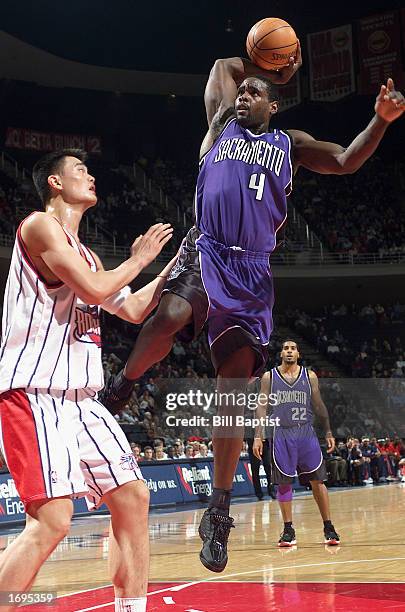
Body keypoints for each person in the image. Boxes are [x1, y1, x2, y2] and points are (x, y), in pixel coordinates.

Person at [101, 47, 405, 570]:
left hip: (253, 275)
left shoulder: (290, 145)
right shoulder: (222, 124)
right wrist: (270, 67)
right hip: (207, 250)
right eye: (244, 91)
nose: (244, 94)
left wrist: (380, 120)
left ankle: (218, 511)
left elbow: (346, 160)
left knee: (232, 395)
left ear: (274, 107)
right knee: (170, 317)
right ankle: (125, 384)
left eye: (256, 92)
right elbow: (222, 67)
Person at [0, 149, 174, 612]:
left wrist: (178, 267)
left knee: (134, 497)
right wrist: (140, 258)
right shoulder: (38, 226)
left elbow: (133, 309)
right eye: (80, 169)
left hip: (82, 401)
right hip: (33, 394)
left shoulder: (88, 255)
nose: (91, 175)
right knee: (54, 520)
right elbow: (96, 290)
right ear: (55, 183)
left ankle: (131, 608)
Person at [253, 340, 340, 547]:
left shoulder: (309, 376)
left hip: (305, 432)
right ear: (281, 353)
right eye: (286, 348)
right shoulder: (269, 377)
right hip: (281, 433)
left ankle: (329, 527)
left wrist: (328, 430)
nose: (289, 351)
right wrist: (258, 434)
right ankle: (288, 530)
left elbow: (318, 405)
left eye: (293, 348)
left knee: (318, 481)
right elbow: (261, 406)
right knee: (284, 482)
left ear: (298, 354)